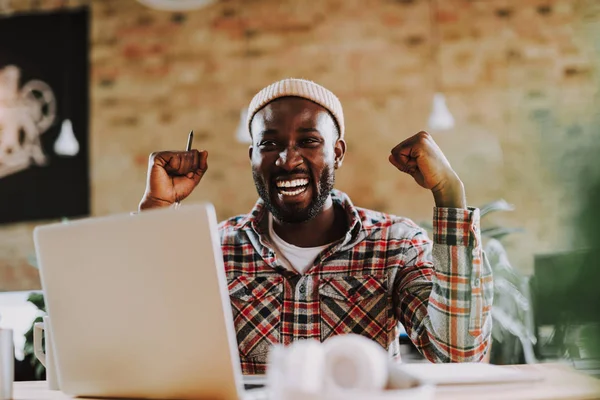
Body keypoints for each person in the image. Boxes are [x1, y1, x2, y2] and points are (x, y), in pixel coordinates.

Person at [139, 78, 492, 374]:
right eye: (269, 143)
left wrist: (449, 195)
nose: (287, 159)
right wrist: (158, 211)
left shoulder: (394, 245)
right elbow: (151, 351)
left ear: (337, 152)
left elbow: (457, 356)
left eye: (309, 141)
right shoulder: (215, 249)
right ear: (252, 157)